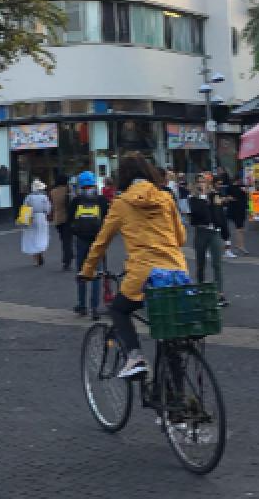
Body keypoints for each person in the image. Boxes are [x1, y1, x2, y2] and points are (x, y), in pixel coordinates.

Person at [79, 153, 190, 378]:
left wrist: (87, 270)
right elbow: (181, 239)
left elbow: (101, 242)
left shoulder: (121, 203)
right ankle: (176, 406)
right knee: (170, 339)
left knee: (119, 309)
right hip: (176, 272)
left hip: (144, 274)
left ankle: (135, 356)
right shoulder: (165, 198)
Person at [67, 171, 108, 320]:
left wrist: (74, 232)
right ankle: (95, 308)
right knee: (96, 274)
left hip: (81, 240)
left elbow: (69, 219)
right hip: (97, 241)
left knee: (82, 272)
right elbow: (107, 220)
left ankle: (81, 305)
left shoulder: (76, 200)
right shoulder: (101, 200)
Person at [187, 173, 230, 307]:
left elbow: (219, 214)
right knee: (201, 264)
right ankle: (201, 290)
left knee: (217, 264)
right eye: (199, 181)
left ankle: (220, 294)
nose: (201, 184)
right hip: (201, 231)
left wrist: (225, 233)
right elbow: (198, 213)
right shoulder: (193, 198)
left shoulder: (214, 195)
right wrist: (203, 198)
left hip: (214, 232)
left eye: (204, 181)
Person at [22, 179, 52, 266]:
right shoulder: (44, 197)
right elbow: (48, 209)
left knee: (32, 237)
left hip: (31, 217)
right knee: (41, 236)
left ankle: (35, 259)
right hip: (42, 217)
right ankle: (40, 253)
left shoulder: (29, 197)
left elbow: (24, 208)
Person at [49, 178, 73, 271]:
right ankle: (67, 260)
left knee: (63, 240)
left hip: (57, 219)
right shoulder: (67, 190)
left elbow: (52, 205)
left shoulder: (52, 192)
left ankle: (68, 256)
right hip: (67, 218)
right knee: (68, 240)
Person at [222, 177, 251, 253]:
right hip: (235, 210)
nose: (240, 181)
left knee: (240, 228)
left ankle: (239, 245)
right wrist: (232, 198)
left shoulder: (242, 187)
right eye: (238, 180)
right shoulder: (230, 188)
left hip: (242, 209)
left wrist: (246, 190)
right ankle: (240, 245)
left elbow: (248, 195)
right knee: (239, 228)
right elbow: (227, 197)